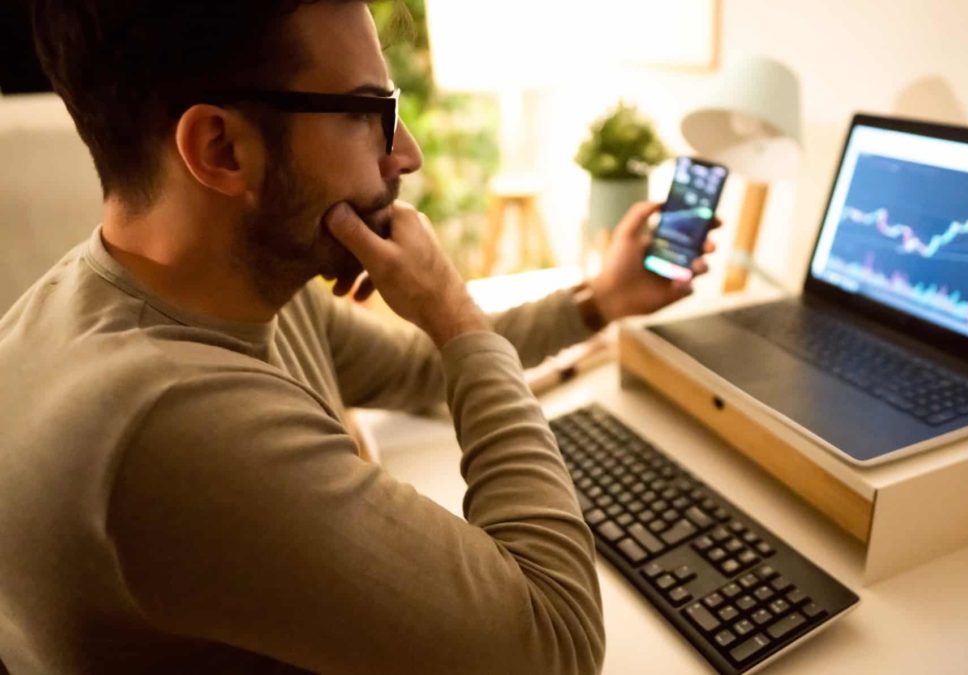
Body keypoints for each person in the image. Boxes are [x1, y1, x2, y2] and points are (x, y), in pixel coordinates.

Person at [0, 2, 717, 674]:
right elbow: (555, 644)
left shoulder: (204, 289)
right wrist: (457, 317)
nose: (406, 155)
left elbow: (419, 371)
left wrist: (600, 300)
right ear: (220, 148)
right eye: (372, 113)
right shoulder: (170, 420)